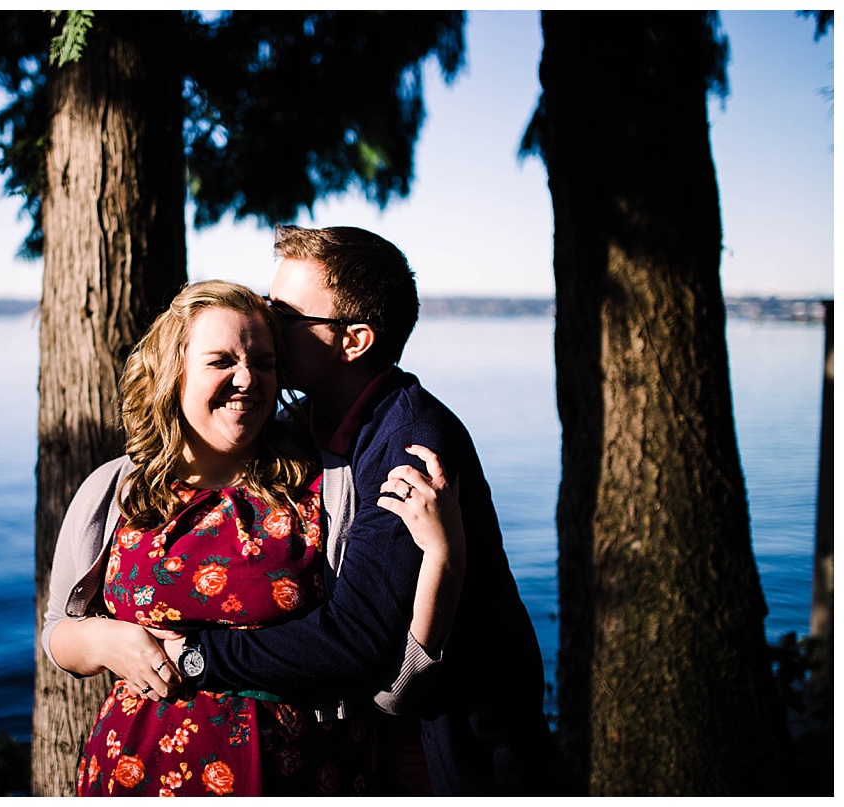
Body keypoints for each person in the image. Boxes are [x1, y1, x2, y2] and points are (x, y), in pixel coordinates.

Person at [163, 225, 555, 796]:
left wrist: (198, 657)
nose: (266, 323)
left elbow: (356, 637)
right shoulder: (312, 426)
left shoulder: (410, 446)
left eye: (284, 315)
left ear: (354, 340)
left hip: (444, 748)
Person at [41, 280, 463, 797]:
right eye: (221, 361)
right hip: (139, 772)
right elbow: (59, 631)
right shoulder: (115, 488)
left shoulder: (327, 487)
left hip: (310, 773)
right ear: (173, 372)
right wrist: (104, 640)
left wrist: (447, 556)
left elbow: (378, 651)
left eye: (263, 363)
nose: (246, 379)